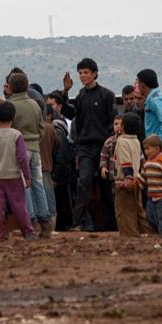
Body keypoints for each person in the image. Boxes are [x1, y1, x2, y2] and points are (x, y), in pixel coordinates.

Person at [70, 58, 116, 231]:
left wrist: (110, 144)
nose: (82, 76)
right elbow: (77, 121)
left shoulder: (106, 95)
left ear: (95, 74)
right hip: (85, 148)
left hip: (104, 146)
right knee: (83, 183)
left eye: (86, 72)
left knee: (106, 187)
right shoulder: (80, 96)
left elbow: (112, 121)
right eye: (80, 73)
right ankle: (79, 223)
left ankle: (111, 224)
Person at [0, 101, 36, 241]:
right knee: (19, 205)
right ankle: (28, 231)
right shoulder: (16, 135)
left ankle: (1, 234)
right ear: (13, 117)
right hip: (14, 176)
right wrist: (27, 176)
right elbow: (22, 158)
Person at [8, 72, 52, 236]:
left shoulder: (10, 105)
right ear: (27, 86)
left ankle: (30, 222)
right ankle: (45, 222)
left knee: (23, 185)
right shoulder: (35, 104)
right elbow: (41, 128)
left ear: (11, 87)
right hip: (35, 148)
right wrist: (34, 140)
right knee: (38, 184)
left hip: (19, 150)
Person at [113, 113, 151, 237]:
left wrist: (128, 179)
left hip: (125, 182)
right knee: (138, 209)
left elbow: (125, 162)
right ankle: (146, 231)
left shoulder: (121, 141)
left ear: (123, 126)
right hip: (137, 180)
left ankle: (128, 234)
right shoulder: (136, 141)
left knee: (124, 211)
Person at [135, 69, 162, 158]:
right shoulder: (158, 97)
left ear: (142, 85)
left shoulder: (155, 100)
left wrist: (158, 144)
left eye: (138, 84)